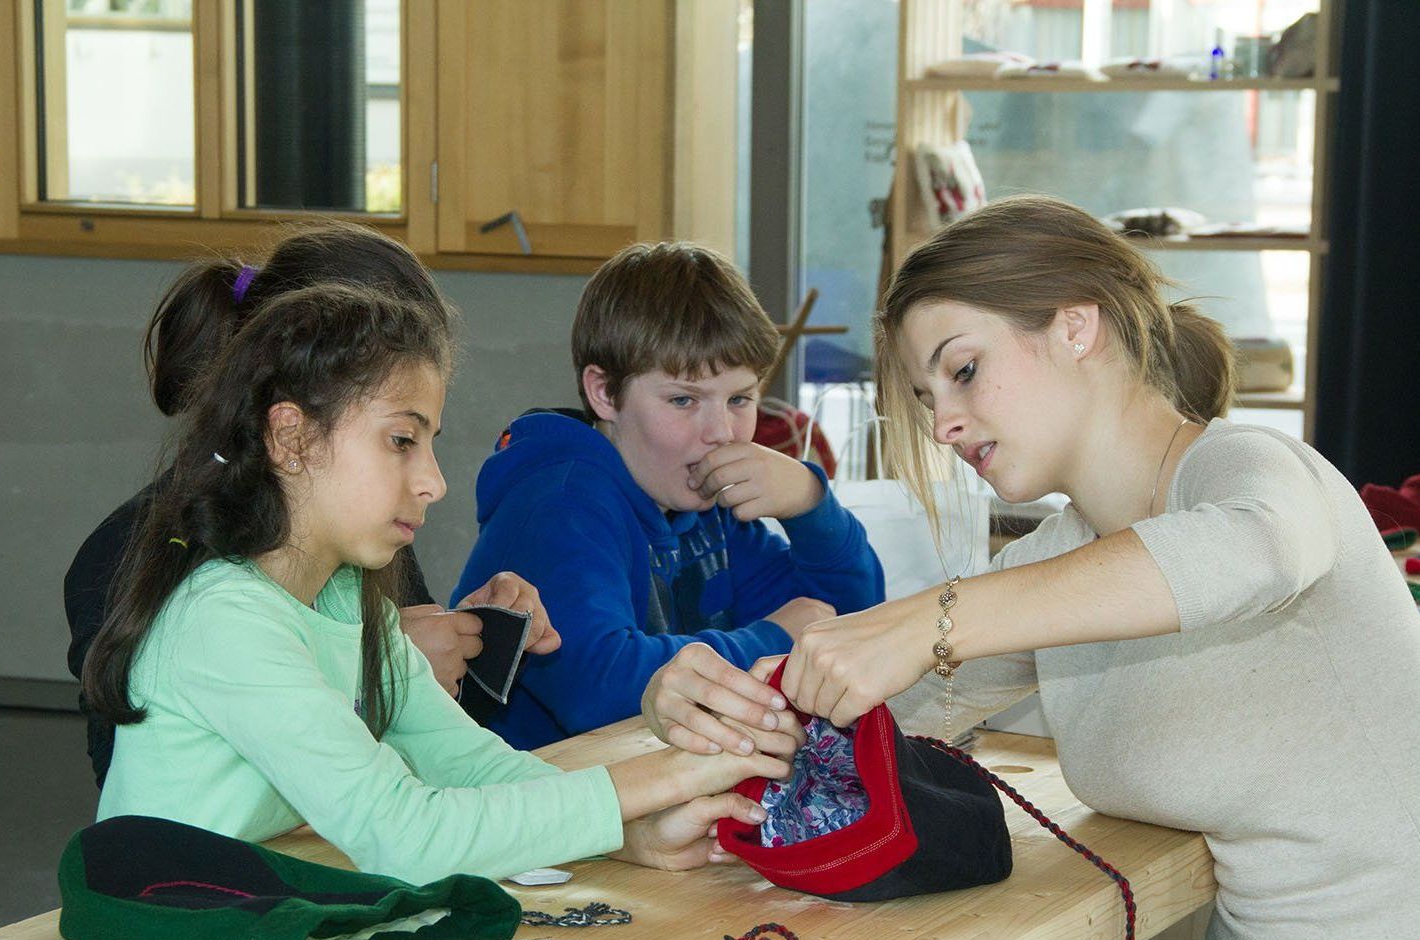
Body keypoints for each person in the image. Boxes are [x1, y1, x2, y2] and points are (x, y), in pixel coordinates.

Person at [748, 195, 1420, 940]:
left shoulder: (1249, 470)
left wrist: (928, 615)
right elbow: (879, 714)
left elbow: (1244, 552)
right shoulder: (1064, 560)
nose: (943, 420)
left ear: (1076, 324)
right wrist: (724, 712)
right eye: (921, 397)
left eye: (961, 368)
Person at [83, 283, 788, 887]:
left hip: (247, 924)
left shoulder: (344, 597)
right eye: (401, 440)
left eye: (432, 443)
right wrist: (658, 780)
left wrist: (626, 834)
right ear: (291, 439)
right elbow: (404, 833)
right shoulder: (226, 620)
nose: (434, 481)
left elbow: (471, 766)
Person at [64, 224, 552, 787]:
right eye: (399, 437)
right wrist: (370, 693)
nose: (430, 482)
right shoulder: (125, 554)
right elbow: (135, 776)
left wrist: (473, 641)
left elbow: (430, 755)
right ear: (294, 416)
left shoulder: (356, 531)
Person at [451, 241, 885, 750]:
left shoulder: (698, 500)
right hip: (538, 805)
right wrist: (776, 638)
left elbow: (852, 624)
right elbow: (599, 690)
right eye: (683, 399)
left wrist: (812, 506)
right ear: (604, 394)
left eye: (740, 398)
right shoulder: (559, 500)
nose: (722, 432)